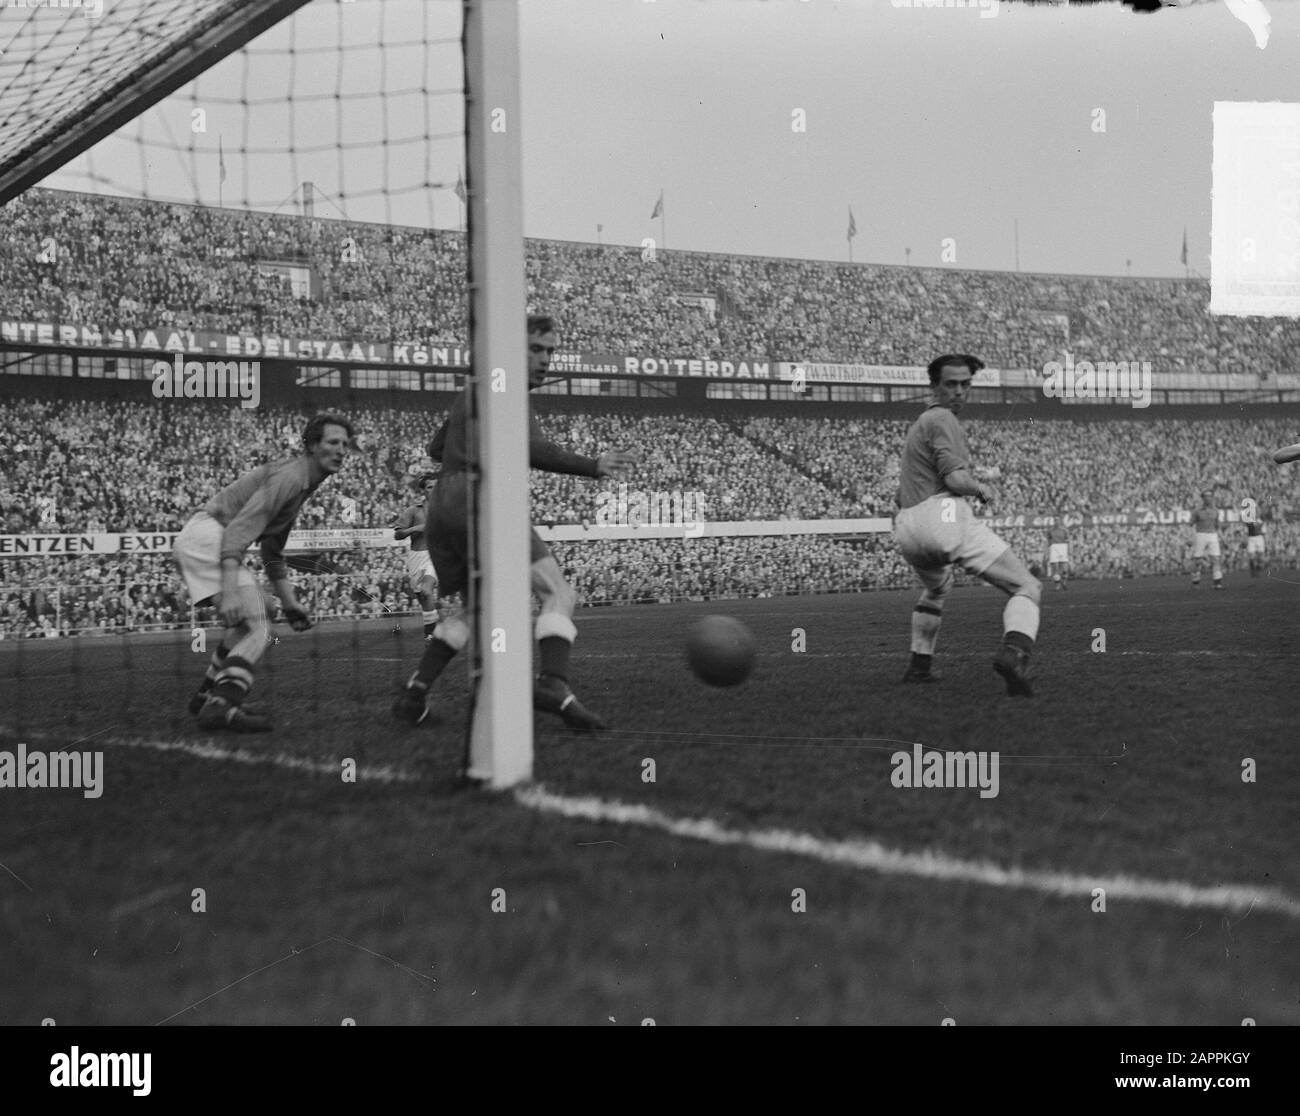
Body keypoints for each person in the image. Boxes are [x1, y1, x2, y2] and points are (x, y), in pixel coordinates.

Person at [393, 315, 636, 730]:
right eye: (535, 349)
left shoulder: (474, 386)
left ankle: (415, 691)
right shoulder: (502, 383)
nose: (545, 360)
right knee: (559, 592)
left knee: (478, 611)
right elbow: (534, 448)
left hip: (442, 505)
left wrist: (469, 445)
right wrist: (593, 465)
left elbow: (437, 446)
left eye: (550, 351)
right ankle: (554, 683)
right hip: (479, 498)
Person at [172, 413, 354, 731]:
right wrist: (229, 592)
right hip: (208, 536)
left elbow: (272, 551)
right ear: (312, 446)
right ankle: (222, 704)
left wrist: (290, 602)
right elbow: (238, 533)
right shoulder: (290, 478)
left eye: (345, 444)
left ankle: (206, 696)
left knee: (264, 610)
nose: (340, 450)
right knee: (261, 627)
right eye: (332, 442)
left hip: (204, 537)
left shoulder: (301, 483)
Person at [893, 354, 1041, 696]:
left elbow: (901, 494)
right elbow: (957, 480)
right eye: (951, 384)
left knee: (937, 588)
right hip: (941, 517)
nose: (959, 391)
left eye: (965, 384)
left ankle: (919, 667)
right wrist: (982, 489)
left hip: (907, 528)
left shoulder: (919, 426)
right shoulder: (944, 418)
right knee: (1027, 587)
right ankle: (1014, 655)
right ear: (934, 387)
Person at [392, 470, 441, 637]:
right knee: (423, 598)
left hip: (436, 556)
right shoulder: (413, 511)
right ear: (423, 490)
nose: (433, 490)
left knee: (427, 591)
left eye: (436, 486)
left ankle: (430, 635)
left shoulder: (447, 509)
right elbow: (397, 534)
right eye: (429, 487)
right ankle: (432, 631)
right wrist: (415, 529)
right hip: (416, 556)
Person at [1190, 490, 1223, 589]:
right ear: (1203, 498)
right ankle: (1195, 581)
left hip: (1213, 534)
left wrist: (1220, 535)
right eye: (1206, 496)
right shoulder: (1197, 511)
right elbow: (1191, 524)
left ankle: (1217, 582)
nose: (1208, 498)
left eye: (1210, 496)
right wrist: (1192, 536)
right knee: (1198, 559)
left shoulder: (1216, 511)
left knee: (1216, 558)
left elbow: (1217, 525)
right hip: (1200, 534)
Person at [1046, 516, 1070, 591]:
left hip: (1063, 547)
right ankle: (1057, 585)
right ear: (1054, 521)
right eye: (1055, 520)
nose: (1056, 521)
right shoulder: (1050, 530)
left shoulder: (1064, 530)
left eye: (1058, 520)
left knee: (1065, 569)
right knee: (1055, 568)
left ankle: (1064, 582)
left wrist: (1069, 550)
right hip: (1054, 548)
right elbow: (1048, 540)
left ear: (1060, 521)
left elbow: (1068, 540)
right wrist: (1048, 550)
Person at [1243, 506, 1265, 578]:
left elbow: (1264, 532)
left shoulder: (1261, 521)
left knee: (1260, 557)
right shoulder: (1248, 521)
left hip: (1259, 538)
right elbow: (1246, 532)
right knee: (1251, 556)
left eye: (1258, 512)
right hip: (1251, 538)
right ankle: (1253, 571)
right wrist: (1245, 539)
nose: (1257, 513)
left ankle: (1258, 571)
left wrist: (1265, 540)